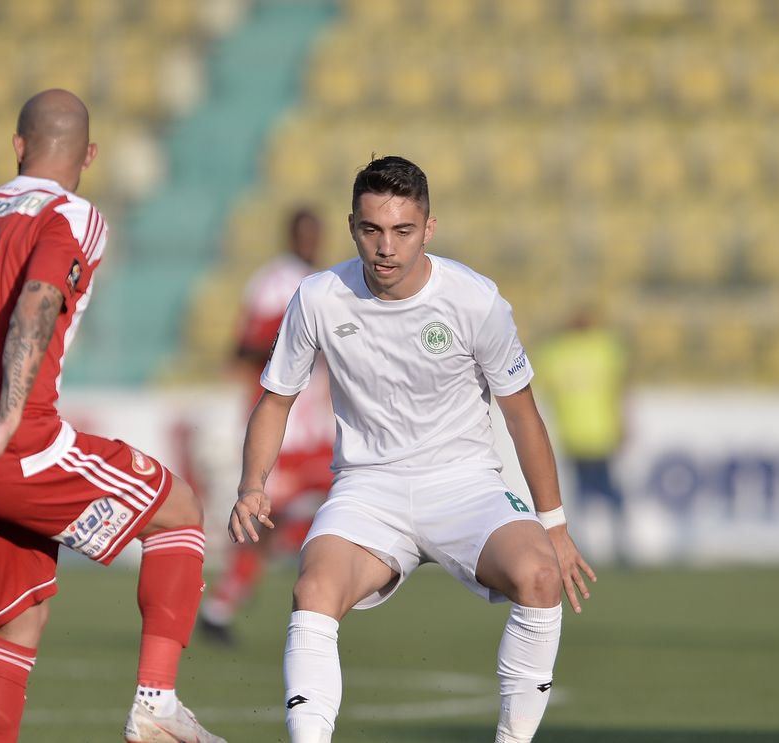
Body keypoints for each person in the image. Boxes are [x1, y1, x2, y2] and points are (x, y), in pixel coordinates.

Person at [228, 155, 596, 743]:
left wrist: (553, 524)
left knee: (540, 577)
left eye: (402, 230)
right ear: (352, 227)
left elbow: (522, 414)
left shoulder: (475, 300)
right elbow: (275, 400)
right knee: (312, 590)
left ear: (428, 228)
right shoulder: (319, 297)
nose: (386, 248)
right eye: (372, 230)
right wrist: (252, 485)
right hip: (367, 488)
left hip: (465, 483)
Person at [0, 89, 226, 743]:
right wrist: (3, 421)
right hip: (13, 444)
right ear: (89, 155)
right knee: (180, 510)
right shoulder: (73, 213)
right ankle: (156, 705)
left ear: (18, 145)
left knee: (16, 623)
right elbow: (38, 299)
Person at [199, 208, 336, 646]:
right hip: (285, 433)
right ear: (291, 235)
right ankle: (218, 608)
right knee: (262, 525)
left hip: (318, 434)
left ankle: (323, 603)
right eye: (305, 234)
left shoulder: (328, 283)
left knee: (348, 501)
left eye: (317, 235)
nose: (312, 242)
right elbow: (244, 347)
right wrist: (293, 335)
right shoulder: (274, 282)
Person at [531, 307, 631, 566]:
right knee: (607, 491)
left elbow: (539, 387)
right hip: (599, 432)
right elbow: (621, 386)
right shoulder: (604, 346)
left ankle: (588, 545)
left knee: (583, 493)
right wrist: (623, 423)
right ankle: (617, 545)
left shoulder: (556, 351)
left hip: (574, 433)